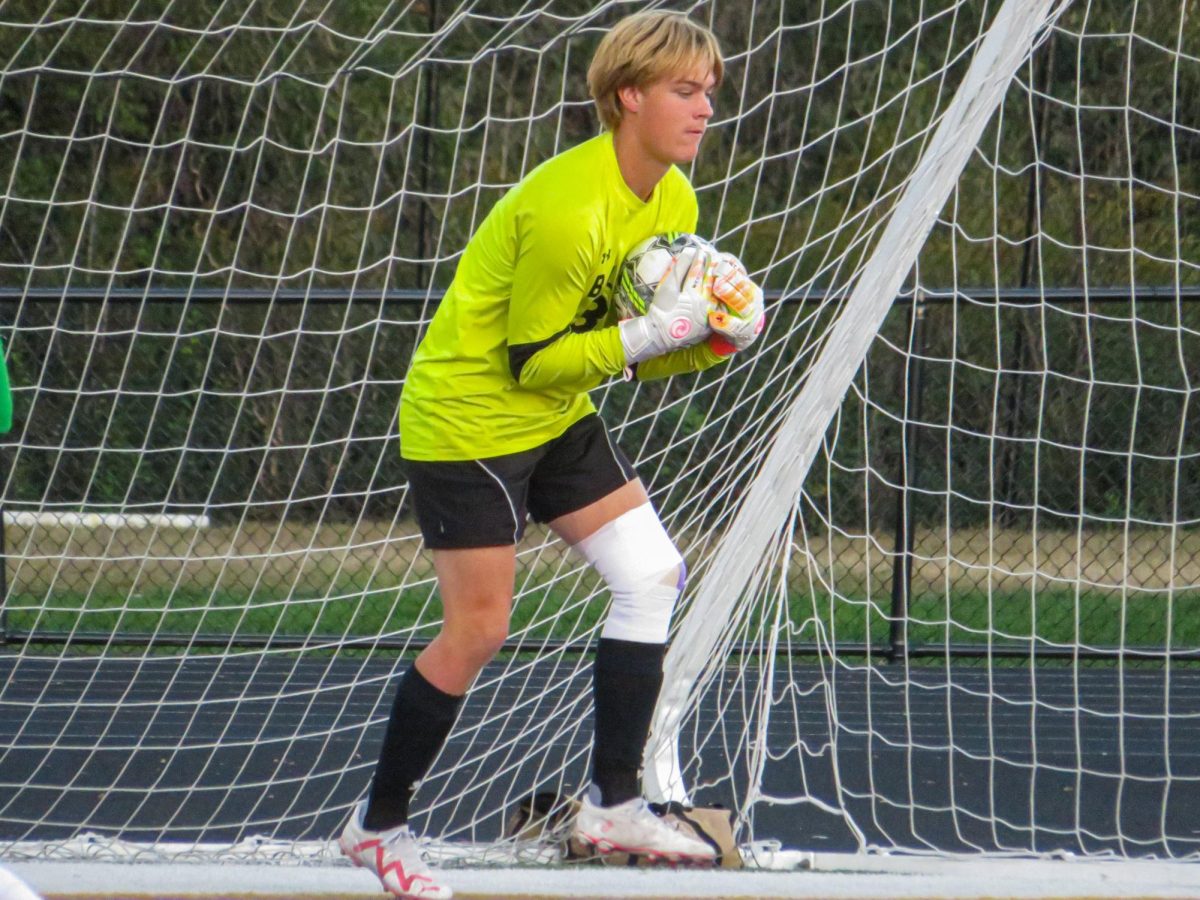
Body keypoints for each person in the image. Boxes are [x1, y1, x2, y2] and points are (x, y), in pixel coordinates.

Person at [338, 10, 765, 898]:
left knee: (650, 574)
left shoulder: (676, 201)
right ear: (628, 96)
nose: (703, 109)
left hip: (554, 414)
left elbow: (638, 361)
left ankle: (614, 804)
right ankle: (377, 828)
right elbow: (530, 359)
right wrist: (655, 329)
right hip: (469, 422)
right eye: (685, 91)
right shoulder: (569, 207)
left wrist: (715, 340)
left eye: (710, 93)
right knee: (480, 630)